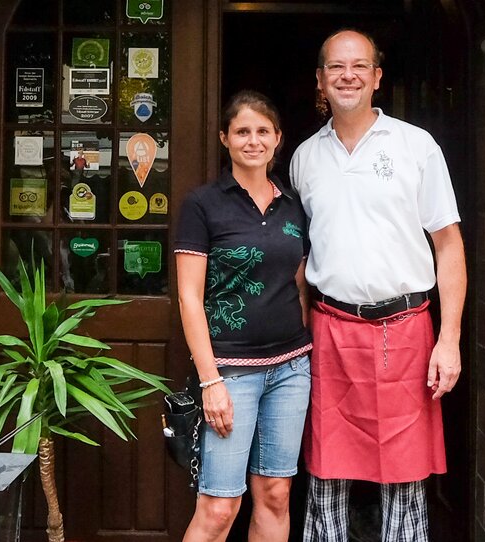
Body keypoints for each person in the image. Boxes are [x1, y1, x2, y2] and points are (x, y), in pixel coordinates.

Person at [290, 29, 467, 541]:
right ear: (320, 78)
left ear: (377, 77)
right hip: (329, 328)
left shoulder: (416, 146)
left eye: (359, 66)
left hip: (407, 327)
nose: (348, 75)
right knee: (326, 469)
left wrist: (449, 339)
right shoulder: (304, 158)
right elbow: (300, 256)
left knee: (406, 472)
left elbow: (448, 245)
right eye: (336, 67)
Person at [175, 90, 313, 542]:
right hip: (231, 374)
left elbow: (299, 283)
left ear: (277, 139)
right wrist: (210, 380)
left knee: (274, 493)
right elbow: (189, 298)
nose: (252, 141)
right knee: (219, 507)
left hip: (292, 368)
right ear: (225, 139)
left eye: (262, 131)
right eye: (241, 132)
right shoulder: (203, 204)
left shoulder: (294, 205)